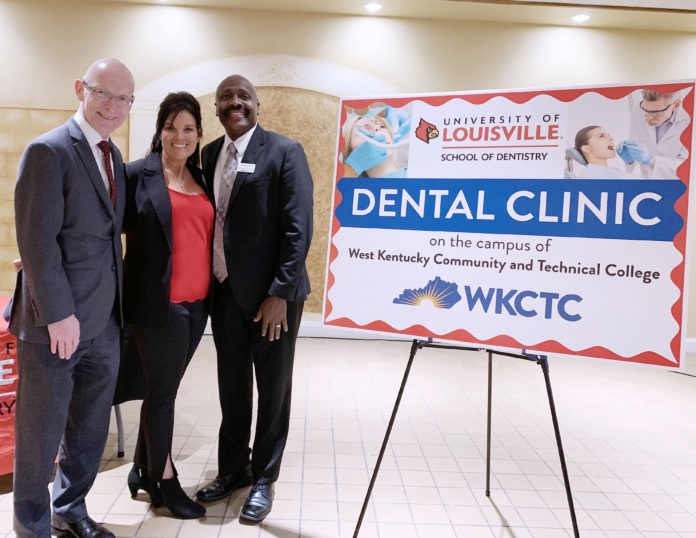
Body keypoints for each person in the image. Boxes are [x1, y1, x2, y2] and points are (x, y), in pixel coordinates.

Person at [9, 58, 134, 538]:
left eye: (124, 98)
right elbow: (37, 241)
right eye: (104, 93)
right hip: (54, 326)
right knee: (40, 436)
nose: (113, 106)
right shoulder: (49, 151)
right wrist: (59, 314)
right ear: (81, 88)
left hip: (104, 321)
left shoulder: (114, 157)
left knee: (88, 430)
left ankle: (70, 509)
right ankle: (32, 527)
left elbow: (103, 237)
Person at [194, 75, 313, 523]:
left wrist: (280, 293)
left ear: (258, 105)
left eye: (243, 96)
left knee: (273, 387)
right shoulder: (209, 154)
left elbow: (299, 229)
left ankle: (264, 479)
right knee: (232, 386)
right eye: (225, 97)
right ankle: (233, 471)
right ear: (217, 108)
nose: (234, 102)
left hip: (272, 300)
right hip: (225, 294)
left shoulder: (285, 152)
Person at [120, 92, 213, 519]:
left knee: (163, 389)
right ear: (160, 130)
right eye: (171, 127)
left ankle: (141, 469)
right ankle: (165, 482)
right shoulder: (136, 174)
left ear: (198, 134)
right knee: (162, 396)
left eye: (188, 128)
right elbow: (101, 228)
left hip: (197, 308)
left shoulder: (201, 176)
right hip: (157, 306)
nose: (180, 136)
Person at [617, 89, 689, 179]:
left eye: (655, 113)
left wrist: (652, 160)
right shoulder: (638, 111)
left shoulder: (690, 120)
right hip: (647, 184)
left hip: (678, 186)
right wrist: (630, 159)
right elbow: (636, 146)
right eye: (645, 110)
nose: (648, 118)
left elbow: (689, 169)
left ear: (676, 105)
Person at [341, 106, 409, 178]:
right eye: (365, 128)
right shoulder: (354, 188)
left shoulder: (417, 171)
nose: (377, 127)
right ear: (351, 154)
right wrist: (354, 165)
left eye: (382, 126)